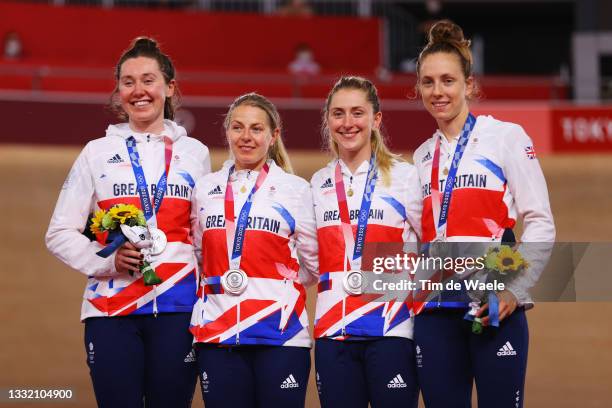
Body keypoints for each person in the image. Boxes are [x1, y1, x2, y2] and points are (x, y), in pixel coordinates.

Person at [45, 37, 211, 407]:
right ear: (118, 90)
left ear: (169, 88)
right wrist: (106, 260)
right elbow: (59, 232)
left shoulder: (194, 154)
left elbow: (203, 235)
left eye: (148, 80)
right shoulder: (97, 152)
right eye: (128, 81)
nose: (138, 91)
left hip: (178, 309)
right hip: (110, 310)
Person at [411, 20, 555, 408]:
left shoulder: (505, 137)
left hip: (492, 302)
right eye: (428, 82)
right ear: (418, 89)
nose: (438, 91)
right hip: (436, 307)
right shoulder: (422, 156)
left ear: (468, 85)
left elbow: (539, 220)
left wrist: (514, 287)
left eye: (447, 80)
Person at [189, 93, 318, 408]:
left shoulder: (295, 189)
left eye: (256, 129)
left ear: (273, 136)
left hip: (281, 334)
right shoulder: (205, 188)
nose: (246, 137)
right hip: (218, 334)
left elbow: (312, 263)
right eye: (238, 127)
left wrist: (276, 281)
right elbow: (198, 254)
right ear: (227, 132)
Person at [311, 76, 422, 408]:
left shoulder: (406, 178)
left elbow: (433, 245)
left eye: (357, 113)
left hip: (391, 330)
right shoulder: (317, 184)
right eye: (338, 113)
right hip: (333, 332)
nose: (348, 123)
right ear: (328, 120)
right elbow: (308, 260)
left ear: (376, 119)